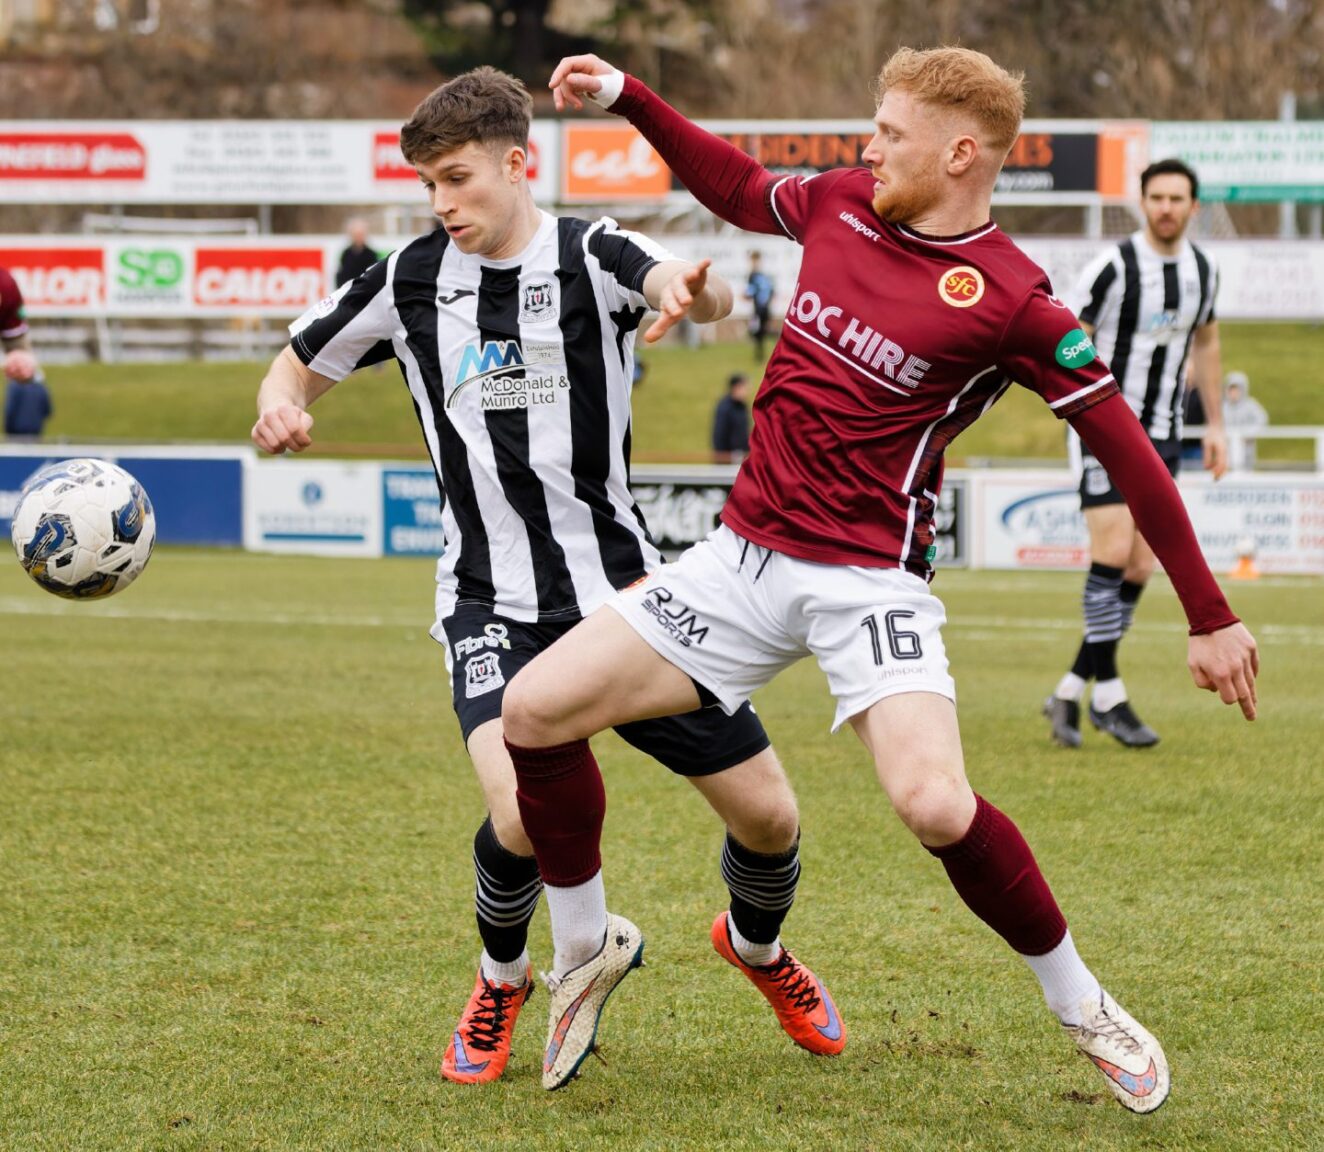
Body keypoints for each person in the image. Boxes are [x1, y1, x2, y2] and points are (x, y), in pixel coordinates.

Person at [500, 48, 1259, 1110]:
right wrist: (631, 99)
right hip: (738, 561)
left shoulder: (1014, 301)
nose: (867, 148)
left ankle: (1080, 1004)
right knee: (532, 710)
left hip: (869, 585)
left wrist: (1208, 615)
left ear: (958, 153)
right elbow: (731, 182)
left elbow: (1130, 450)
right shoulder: (844, 203)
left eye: (889, 133)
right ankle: (583, 949)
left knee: (935, 803)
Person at [250, 67, 840, 1089]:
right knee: (521, 813)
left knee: (771, 817)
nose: (441, 202)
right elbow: (297, 357)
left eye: (458, 177)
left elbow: (684, 289)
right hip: (486, 600)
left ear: (519, 164)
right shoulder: (408, 278)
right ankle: (507, 977)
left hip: (625, 602)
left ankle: (754, 949)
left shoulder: (592, 253)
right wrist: (280, 405)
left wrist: (690, 295)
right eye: (427, 183)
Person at [1044, 159, 1227, 751]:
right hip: (1105, 430)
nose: (1167, 207)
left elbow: (1207, 342)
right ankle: (1110, 694)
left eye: (1177, 198)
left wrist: (1217, 426)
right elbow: (1071, 335)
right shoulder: (1115, 265)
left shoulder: (1203, 270)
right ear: (1142, 203)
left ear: (1193, 206)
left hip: (1166, 434)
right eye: (1157, 197)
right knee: (1114, 550)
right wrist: (1081, 411)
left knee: (1141, 566)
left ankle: (1072, 689)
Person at [1222, 370, 1268, 470]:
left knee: (1246, 475)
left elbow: (1262, 420)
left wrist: (1247, 434)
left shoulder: (1251, 405)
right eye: (1231, 389)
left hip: (1246, 449)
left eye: (1236, 389)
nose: (1233, 393)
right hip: (1226, 449)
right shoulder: (1222, 407)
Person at [711, 372, 752, 463]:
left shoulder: (742, 407)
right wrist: (722, 458)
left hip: (742, 455)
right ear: (736, 387)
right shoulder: (725, 407)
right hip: (729, 457)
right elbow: (719, 434)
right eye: (745, 388)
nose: (747, 392)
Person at [745, 251, 775, 360]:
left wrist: (746, 295)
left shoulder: (753, 276)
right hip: (764, 308)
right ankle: (760, 354)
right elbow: (771, 291)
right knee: (759, 331)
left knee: (757, 332)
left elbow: (750, 293)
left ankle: (760, 355)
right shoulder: (763, 276)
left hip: (759, 309)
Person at [335, 217, 379, 288]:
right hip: (348, 291)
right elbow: (341, 276)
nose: (358, 237)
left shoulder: (371, 255)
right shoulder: (346, 254)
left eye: (360, 234)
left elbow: (374, 276)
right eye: (356, 234)